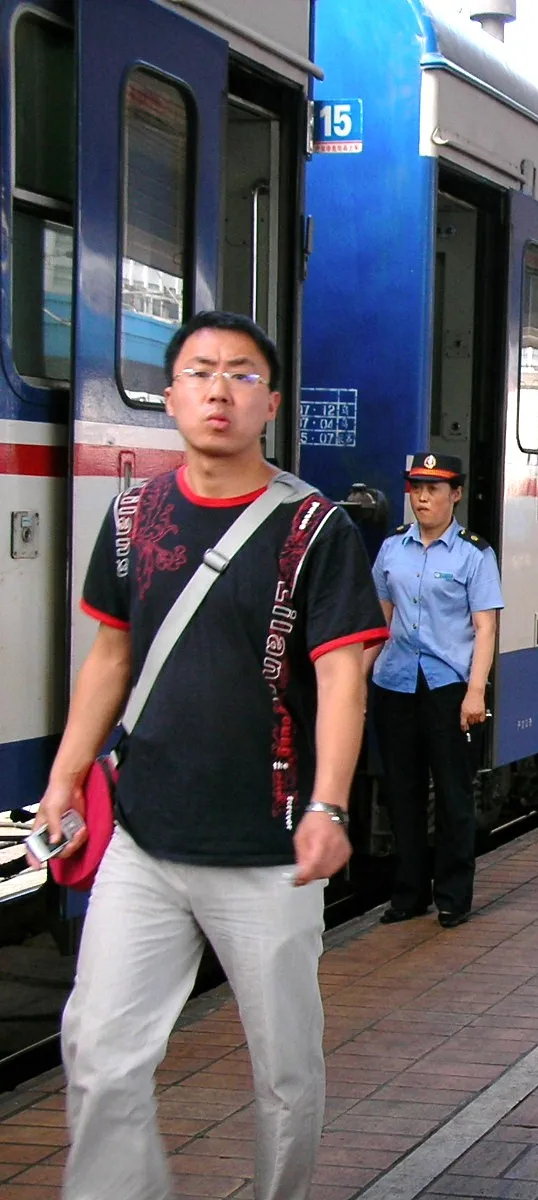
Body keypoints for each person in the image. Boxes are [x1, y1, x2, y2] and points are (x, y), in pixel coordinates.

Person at [29, 311, 388, 1200]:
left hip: (270, 851)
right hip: (143, 842)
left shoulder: (316, 529)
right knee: (102, 1052)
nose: (217, 390)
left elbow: (344, 680)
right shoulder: (131, 518)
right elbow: (110, 660)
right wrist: (65, 777)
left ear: (269, 400)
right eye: (197, 372)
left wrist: (329, 805)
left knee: (285, 1075)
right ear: (170, 394)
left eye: (238, 374)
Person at [369, 452, 503, 928]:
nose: (422, 497)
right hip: (396, 682)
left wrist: (476, 692)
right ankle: (408, 894)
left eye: (434, 489)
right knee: (401, 793)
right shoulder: (392, 550)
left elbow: (484, 629)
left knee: (452, 795)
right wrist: (362, 680)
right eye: (416, 488)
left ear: (456, 494)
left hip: (450, 688)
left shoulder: (474, 554)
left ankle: (452, 897)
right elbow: (381, 619)